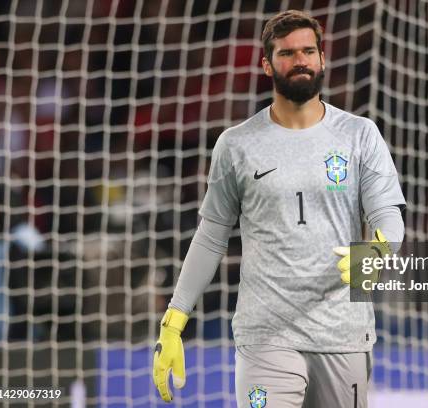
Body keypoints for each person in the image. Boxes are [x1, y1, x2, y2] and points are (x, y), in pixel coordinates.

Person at [152, 10, 406, 408]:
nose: (300, 60)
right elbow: (211, 235)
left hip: (342, 332)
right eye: (287, 53)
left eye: (308, 51)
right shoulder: (237, 145)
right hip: (265, 336)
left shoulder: (360, 135)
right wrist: (175, 318)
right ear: (267, 64)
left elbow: (388, 215)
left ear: (322, 58)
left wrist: (379, 249)